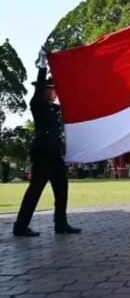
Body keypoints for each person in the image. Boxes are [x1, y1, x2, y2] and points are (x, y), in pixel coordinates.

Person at [13, 48, 81, 237]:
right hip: (43, 154)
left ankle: (61, 224)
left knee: (62, 190)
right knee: (35, 191)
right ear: (44, 90)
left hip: (55, 154)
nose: (54, 93)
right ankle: (20, 226)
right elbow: (40, 86)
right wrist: (43, 64)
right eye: (51, 90)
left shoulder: (56, 109)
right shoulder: (38, 103)